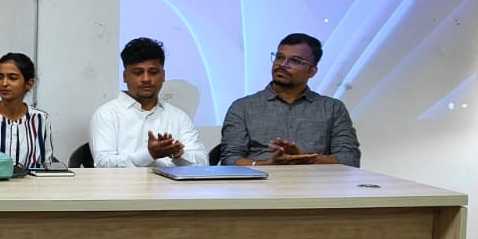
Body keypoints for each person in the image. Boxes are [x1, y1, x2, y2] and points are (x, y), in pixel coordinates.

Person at [219, 33, 361, 166]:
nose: (283, 64)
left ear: (312, 71)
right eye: (279, 57)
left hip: (315, 181)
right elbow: (230, 159)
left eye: (295, 60)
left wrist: (306, 158)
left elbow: (349, 159)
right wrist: (268, 165)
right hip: (261, 181)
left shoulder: (332, 108)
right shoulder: (243, 107)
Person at [89, 36, 205, 168]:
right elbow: (103, 164)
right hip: (124, 182)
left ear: (163, 75)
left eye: (153, 72)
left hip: (170, 182)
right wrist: (149, 154)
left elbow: (203, 163)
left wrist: (178, 154)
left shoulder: (178, 117)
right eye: (138, 72)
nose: (146, 79)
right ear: (125, 76)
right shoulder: (107, 114)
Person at [0, 52, 59, 171]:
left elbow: (47, 163)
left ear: (29, 83)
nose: (4, 83)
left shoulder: (41, 118)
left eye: (12, 78)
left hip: (32, 182)